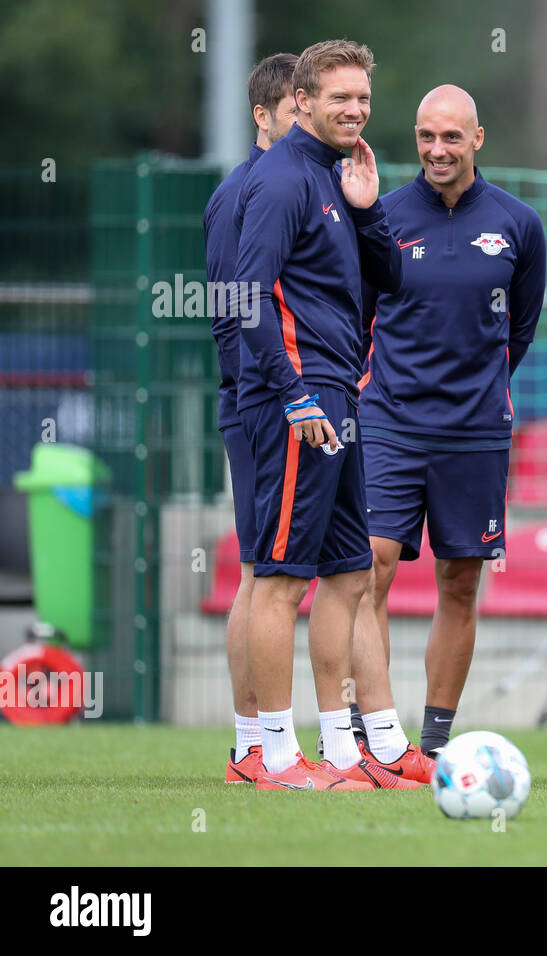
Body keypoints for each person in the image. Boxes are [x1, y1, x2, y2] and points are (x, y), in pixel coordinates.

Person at [234, 39, 415, 791]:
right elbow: (249, 296)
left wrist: (369, 214)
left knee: (347, 577)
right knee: (281, 579)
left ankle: (341, 750)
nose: (355, 110)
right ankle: (272, 756)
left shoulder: (336, 179)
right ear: (300, 100)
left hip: (340, 396)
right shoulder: (280, 180)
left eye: (363, 99)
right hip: (300, 403)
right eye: (340, 97)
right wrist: (296, 393)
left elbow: (395, 279)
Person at [354, 85, 546, 761]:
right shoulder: (380, 214)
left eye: (452, 138)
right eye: (427, 137)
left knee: (460, 581)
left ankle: (432, 745)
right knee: (368, 569)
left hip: (475, 431)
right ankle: (370, 733)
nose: (438, 150)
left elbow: (519, 328)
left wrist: (485, 384)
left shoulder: (518, 224)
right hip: (389, 421)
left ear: (478, 138)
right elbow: (357, 314)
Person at [205, 52, 297, 784]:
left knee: (270, 572)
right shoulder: (245, 191)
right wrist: (272, 387)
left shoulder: (305, 181)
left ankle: (259, 745)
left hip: (286, 397)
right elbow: (236, 304)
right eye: (296, 110)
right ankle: (253, 745)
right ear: (263, 116)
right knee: (262, 574)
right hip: (261, 401)